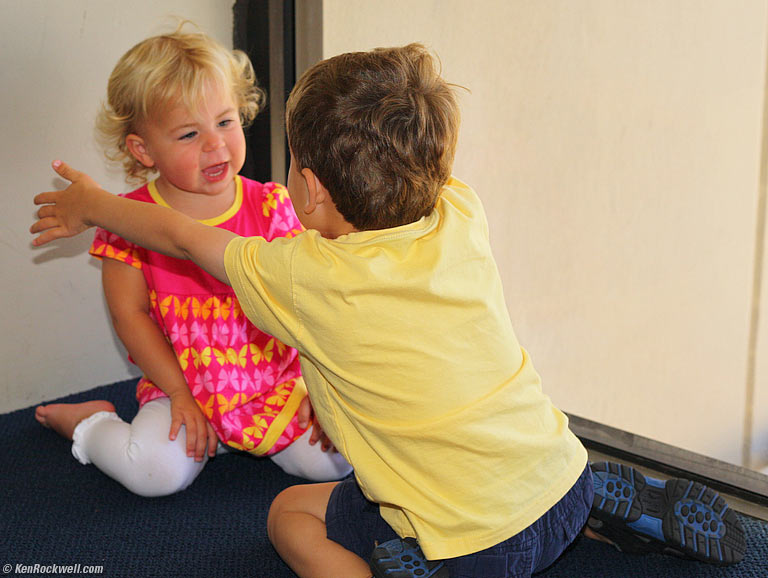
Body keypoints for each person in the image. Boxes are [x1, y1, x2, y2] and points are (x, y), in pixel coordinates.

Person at [31, 43, 745, 576]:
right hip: (559, 479)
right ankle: (602, 509)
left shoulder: (307, 276)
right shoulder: (457, 211)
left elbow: (181, 234)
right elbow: (410, 153)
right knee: (483, 482)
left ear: (307, 191)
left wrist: (96, 206)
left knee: (290, 520)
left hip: (473, 550)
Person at [33, 28, 351, 498]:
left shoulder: (270, 207)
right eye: (189, 133)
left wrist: (315, 383)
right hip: (180, 385)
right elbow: (130, 316)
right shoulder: (128, 222)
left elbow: (306, 302)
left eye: (225, 122)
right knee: (152, 475)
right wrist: (180, 392)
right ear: (143, 150)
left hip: (273, 382)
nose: (215, 145)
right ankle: (90, 424)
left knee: (338, 459)